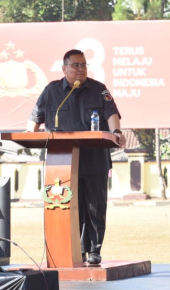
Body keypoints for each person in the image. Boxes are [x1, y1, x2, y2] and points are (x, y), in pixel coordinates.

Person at [26, 49, 126, 265]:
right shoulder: (52, 91)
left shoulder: (99, 89)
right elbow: (35, 118)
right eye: (75, 65)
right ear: (64, 69)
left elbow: (111, 114)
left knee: (95, 206)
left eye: (83, 65)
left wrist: (116, 132)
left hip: (94, 158)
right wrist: (29, 134)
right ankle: (74, 250)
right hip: (62, 161)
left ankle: (94, 250)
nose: (81, 69)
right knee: (69, 205)